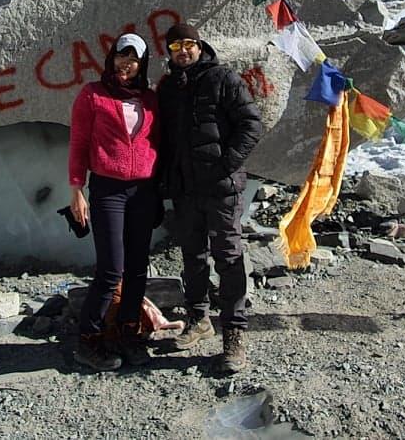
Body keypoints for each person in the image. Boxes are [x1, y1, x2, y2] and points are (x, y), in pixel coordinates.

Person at [156, 22, 263, 374]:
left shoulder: (223, 78)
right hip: (186, 190)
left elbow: (251, 124)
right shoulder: (168, 87)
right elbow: (166, 140)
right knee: (193, 257)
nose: (183, 51)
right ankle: (198, 319)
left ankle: (233, 333)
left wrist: (226, 165)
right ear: (169, 52)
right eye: (175, 47)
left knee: (229, 257)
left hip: (221, 188)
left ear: (200, 46)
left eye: (188, 44)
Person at [67, 32, 161, 372]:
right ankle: (88, 340)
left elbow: (157, 145)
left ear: (142, 63)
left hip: (144, 191)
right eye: (122, 56)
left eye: (134, 59)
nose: (127, 64)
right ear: (112, 59)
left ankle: (128, 333)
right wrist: (76, 189)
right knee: (111, 270)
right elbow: (78, 142)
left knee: (137, 268)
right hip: (108, 189)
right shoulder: (93, 95)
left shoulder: (149, 99)